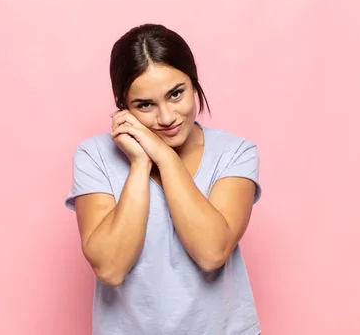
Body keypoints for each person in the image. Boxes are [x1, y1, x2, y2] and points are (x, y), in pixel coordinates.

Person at [65, 23, 262, 335]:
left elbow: (211, 253)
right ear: (123, 107)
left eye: (176, 94)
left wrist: (163, 155)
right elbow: (110, 268)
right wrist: (140, 162)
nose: (167, 117)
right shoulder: (94, 156)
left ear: (194, 83)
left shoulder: (235, 152)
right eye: (145, 105)